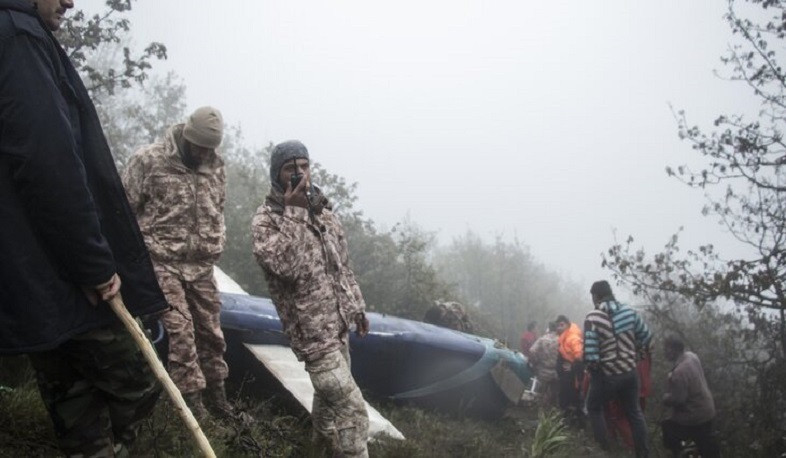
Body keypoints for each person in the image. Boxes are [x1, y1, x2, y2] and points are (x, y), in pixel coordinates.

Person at [0, 0, 168, 455]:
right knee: (140, 381)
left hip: (33, 277)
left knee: (77, 410)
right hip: (67, 275)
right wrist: (93, 263)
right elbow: (47, 161)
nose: (71, 2)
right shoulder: (19, 36)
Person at [252, 140, 370, 457]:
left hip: (338, 327)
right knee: (353, 412)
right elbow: (286, 267)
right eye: (291, 169)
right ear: (277, 174)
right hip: (313, 337)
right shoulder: (267, 220)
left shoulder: (323, 211)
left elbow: (341, 265)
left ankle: (317, 451)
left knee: (329, 412)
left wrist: (356, 308)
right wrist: (294, 213)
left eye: (304, 166)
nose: (300, 174)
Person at [122, 106, 233, 419]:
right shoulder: (149, 160)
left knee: (212, 335)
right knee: (181, 332)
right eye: (199, 146)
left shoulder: (216, 167)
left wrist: (217, 241)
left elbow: (218, 209)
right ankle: (193, 409)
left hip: (201, 267)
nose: (203, 153)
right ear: (187, 135)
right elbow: (124, 210)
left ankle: (219, 401)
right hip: (161, 262)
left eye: (210, 148)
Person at [583, 280, 651, 457]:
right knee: (634, 412)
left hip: (608, 375)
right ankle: (643, 453)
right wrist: (636, 355)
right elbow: (646, 336)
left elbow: (591, 355)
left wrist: (595, 373)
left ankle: (605, 450)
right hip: (630, 373)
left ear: (596, 296)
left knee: (594, 407)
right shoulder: (629, 312)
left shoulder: (593, 317)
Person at [661, 335, 719, 458]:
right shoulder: (692, 356)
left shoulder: (679, 372)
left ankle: (680, 453)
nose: (665, 352)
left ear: (676, 350)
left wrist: (666, 398)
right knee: (706, 445)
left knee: (668, 427)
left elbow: (679, 400)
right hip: (708, 410)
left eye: (667, 348)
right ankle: (695, 450)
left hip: (694, 416)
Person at [555, 314, 584, 421]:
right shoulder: (563, 338)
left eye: (561, 325)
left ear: (568, 325)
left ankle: (577, 422)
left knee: (574, 399)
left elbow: (579, 356)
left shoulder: (573, 338)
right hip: (565, 376)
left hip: (572, 377)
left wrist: (572, 366)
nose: (559, 328)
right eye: (557, 325)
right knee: (565, 398)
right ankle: (567, 420)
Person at [527, 321, 560, 407]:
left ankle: (540, 412)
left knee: (541, 392)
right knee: (554, 394)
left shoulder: (542, 339)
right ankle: (551, 414)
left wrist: (536, 361)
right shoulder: (560, 339)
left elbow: (532, 351)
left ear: (548, 328)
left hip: (542, 370)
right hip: (555, 372)